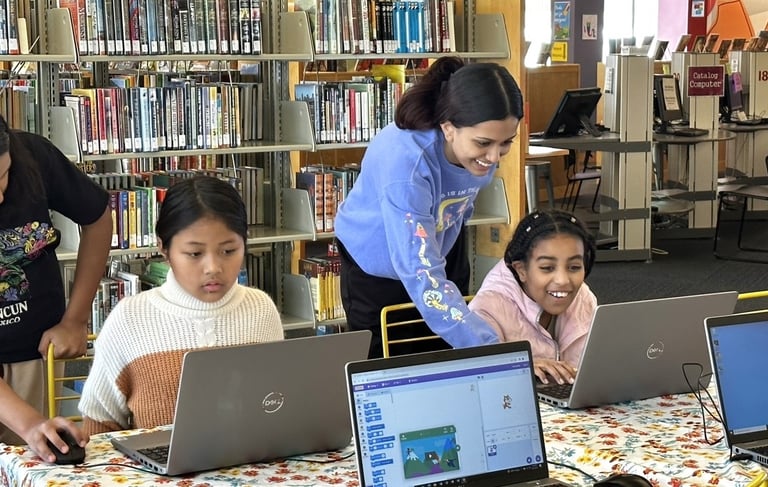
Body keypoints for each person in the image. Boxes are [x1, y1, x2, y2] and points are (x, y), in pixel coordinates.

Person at [333, 56, 524, 358]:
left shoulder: (477, 146)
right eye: (484, 143)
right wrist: (492, 348)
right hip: (377, 265)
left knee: (449, 362)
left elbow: (460, 201)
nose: (494, 157)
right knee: (390, 373)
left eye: (506, 143)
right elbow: (418, 269)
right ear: (448, 128)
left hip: (439, 242)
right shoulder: (406, 164)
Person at [78, 176, 284, 435]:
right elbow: (100, 426)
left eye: (229, 251)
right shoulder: (129, 319)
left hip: (253, 469)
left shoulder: (261, 309)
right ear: (164, 248)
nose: (213, 268)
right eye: (195, 254)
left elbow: (276, 406)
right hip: (155, 476)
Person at [0, 115, 112, 460]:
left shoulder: (33, 156)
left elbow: (97, 216)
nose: (0, 196)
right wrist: (29, 422)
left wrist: (75, 319)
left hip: (36, 353)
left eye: (3, 175)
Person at [468, 209, 597, 385]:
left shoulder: (584, 297)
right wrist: (519, 367)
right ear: (521, 270)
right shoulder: (488, 308)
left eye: (574, 267)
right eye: (547, 267)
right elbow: (472, 380)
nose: (562, 280)